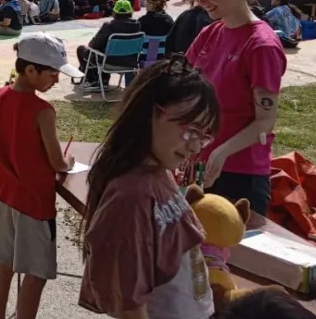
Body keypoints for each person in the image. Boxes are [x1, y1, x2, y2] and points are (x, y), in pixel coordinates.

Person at [79, 57, 219, 319]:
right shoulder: (130, 196)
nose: (197, 146)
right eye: (191, 130)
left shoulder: (159, 171)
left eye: (205, 136)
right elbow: (130, 305)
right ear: (150, 112)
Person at [184, 0, 286, 215]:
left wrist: (221, 152)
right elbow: (184, 88)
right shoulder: (210, 33)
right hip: (200, 164)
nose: (201, 2)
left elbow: (265, 121)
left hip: (241, 173)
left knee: (231, 254)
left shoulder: (261, 46)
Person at [0, 34, 81, 319]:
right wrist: (67, 161)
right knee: (37, 272)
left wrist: (15, 153)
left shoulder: (2, 95)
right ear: (31, 70)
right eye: (52, 74)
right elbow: (57, 161)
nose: (56, 81)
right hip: (35, 203)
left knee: (4, 264)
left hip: (6, 195)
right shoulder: (43, 111)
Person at [77, 0, 141, 89]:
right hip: (130, 62)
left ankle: (93, 80)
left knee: (82, 49)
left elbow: (93, 45)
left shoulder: (109, 26)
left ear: (114, 12)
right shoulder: (137, 26)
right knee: (102, 51)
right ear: (131, 12)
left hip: (109, 62)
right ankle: (102, 80)